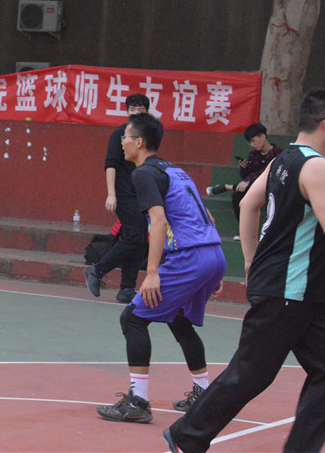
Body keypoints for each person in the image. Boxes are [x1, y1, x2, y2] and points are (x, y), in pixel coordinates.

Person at [163, 88, 325, 453]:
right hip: (289, 291)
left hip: (306, 295)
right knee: (250, 373)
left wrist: (250, 260)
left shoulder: (282, 160)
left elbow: (249, 204)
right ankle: (186, 437)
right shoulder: (317, 166)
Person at [95, 112, 226, 425]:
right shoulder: (175, 170)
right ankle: (202, 393)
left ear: (139, 142)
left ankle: (137, 402)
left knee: (133, 319)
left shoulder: (144, 174)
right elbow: (207, 215)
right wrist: (212, 268)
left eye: (126, 137)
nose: (122, 142)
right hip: (212, 252)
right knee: (179, 319)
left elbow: (158, 220)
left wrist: (152, 272)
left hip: (190, 256)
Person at [85, 93, 150, 303]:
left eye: (141, 109)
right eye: (133, 109)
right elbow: (110, 164)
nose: (137, 113)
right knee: (134, 237)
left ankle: (127, 288)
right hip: (123, 194)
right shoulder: (120, 134)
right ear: (127, 112)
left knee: (139, 241)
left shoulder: (148, 136)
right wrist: (111, 194)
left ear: (147, 112)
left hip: (142, 195)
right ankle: (97, 270)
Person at [206, 122, 281, 227]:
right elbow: (246, 176)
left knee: (256, 183)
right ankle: (243, 229)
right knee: (237, 196)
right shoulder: (253, 154)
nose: (252, 145)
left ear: (263, 137)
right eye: (250, 142)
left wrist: (247, 180)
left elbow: (266, 172)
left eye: (253, 141)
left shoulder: (278, 154)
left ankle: (228, 187)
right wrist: (244, 168)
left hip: (270, 186)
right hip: (253, 187)